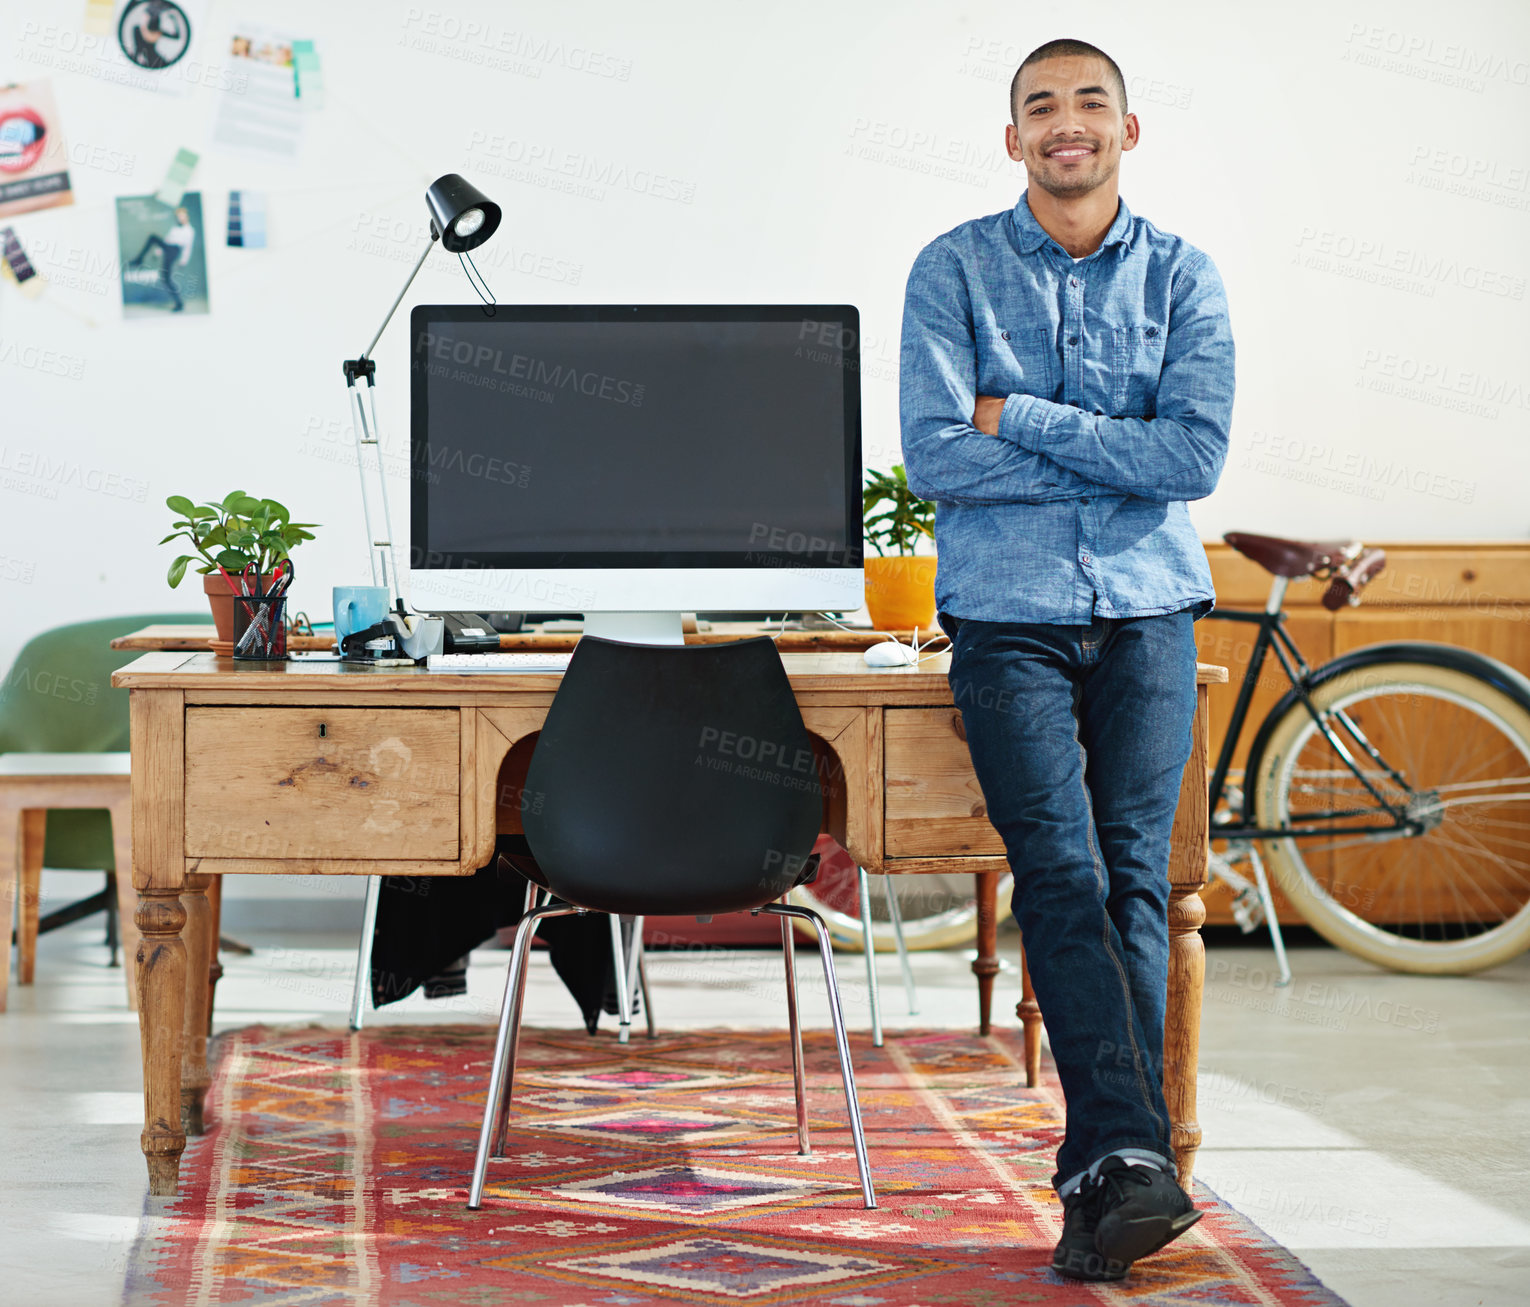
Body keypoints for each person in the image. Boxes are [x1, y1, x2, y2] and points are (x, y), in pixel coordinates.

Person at [899, 37, 1235, 1282]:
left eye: (1090, 102)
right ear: (1013, 139)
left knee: (1136, 881)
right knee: (1060, 868)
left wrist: (1020, 415)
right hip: (1008, 615)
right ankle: (1130, 1159)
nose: (1066, 122)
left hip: (1150, 607)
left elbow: (1191, 458)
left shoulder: (1186, 277)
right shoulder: (953, 269)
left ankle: (1111, 1172)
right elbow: (936, 454)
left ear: (1128, 131)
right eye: (1041, 106)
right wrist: (1111, 442)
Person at [128, 205, 195, 311]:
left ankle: (179, 303)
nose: (180, 218)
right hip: (168, 248)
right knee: (152, 238)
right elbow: (167, 240)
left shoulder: (189, 231)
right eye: (178, 216)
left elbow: (188, 247)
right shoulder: (175, 228)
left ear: (186, 217)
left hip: (174, 251)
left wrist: (183, 261)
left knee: (166, 278)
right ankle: (138, 260)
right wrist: (158, 252)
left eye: (182, 216)